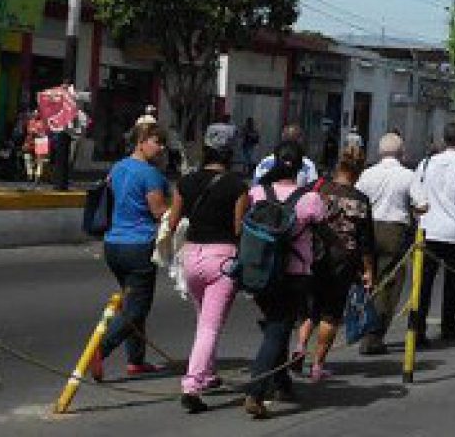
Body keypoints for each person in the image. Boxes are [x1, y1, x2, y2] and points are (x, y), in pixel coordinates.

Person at [168, 129, 250, 414]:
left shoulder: (185, 182)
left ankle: (208, 372)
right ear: (230, 153)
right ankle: (192, 385)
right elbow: (239, 227)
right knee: (210, 326)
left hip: (191, 258)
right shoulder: (238, 186)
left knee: (203, 320)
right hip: (222, 258)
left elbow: (173, 219)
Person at [242, 140, 326, 419]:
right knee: (278, 328)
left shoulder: (257, 192)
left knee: (275, 324)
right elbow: (322, 228)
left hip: (259, 271)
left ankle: (281, 382)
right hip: (294, 273)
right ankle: (256, 389)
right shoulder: (309, 198)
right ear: (301, 166)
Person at [91, 124, 170, 381]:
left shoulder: (118, 168)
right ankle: (100, 350)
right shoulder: (151, 175)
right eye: (157, 142)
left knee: (132, 301)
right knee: (136, 308)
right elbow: (159, 211)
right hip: (139, 246)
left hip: (113, 244)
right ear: (142, 141)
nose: (161, 148)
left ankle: (136, 360)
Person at [295, 146, 374, 381]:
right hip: (343, 262)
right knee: (331, 314)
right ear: (358, 171)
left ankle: (299, 348)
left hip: (314, 256)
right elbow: (366, 241)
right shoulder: (360, 200)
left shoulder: (318, 189)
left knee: (311, 309)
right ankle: (318, 365)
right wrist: (368, 270)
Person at [409, 124, 455, 345]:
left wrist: (421, 204)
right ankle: (448, 325)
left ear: (444, 140)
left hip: (429, 230)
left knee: (423, 283)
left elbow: (415, 188)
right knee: (454, 283)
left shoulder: (427, 163)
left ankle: (418, 328)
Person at [353, 132, 415, 355]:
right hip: (395, 229)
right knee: (390, 283)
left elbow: (356, 199)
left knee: (369, 278)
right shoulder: (408, 176)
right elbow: (421, 203)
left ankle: (364, 326)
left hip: (368, 227)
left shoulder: (367, 174)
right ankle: (374, 335)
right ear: (401, 153)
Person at [254, 125, 319, 187]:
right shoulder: (307, 164)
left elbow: (256, 186)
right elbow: (314, 189)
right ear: (299, 141)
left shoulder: (264, 162)